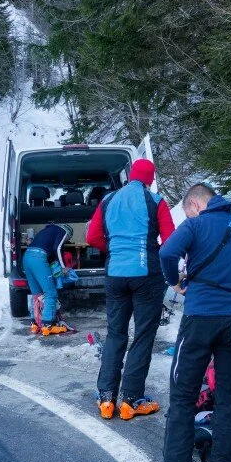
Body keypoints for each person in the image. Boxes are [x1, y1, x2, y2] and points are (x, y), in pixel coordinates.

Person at [150, 183, 231, 462]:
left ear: (196, 204)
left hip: (199, 319)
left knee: (184, 395)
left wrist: (175, 281)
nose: (189, 215)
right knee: (227, 398)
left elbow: (167, 252)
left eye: (188, 210)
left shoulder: (195, 224)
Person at [87, 158, 176, 420]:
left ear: (130, 176)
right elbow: (170, 240)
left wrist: (113, 249)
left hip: (115, 274)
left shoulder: (108, 200)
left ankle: (106, 398)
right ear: (149, 179)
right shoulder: (155, 201)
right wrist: (154, 254)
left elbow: (92, 237)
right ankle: (131, 400)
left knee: (115, 334)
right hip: (146, 274)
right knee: (143, 335)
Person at [22, 223, 74, 335]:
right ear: (67, 235)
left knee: (37, 293)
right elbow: (58, 248)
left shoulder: (47, 231)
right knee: (50, 293)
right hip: (38, 258)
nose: (65, 241)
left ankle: (35, 323)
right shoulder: (62, 232)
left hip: (26, 257)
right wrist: (64, 267)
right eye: (66, 240)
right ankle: (47, 325)